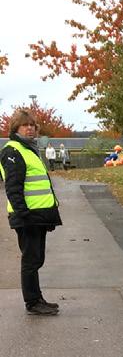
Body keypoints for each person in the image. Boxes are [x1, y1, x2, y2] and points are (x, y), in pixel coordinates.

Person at [0, 109, 62, 315]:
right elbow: (13, 187)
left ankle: (37, 299)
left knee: (36, 259)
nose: (30, 129)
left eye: (32, 126)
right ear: (16, 128)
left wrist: (50, 213)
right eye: (25, 125)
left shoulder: (29, 150)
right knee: (31, 260)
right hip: (28, 217)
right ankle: (33, 302)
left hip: (38, 216)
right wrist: (23, 215)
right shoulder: (13, 151)